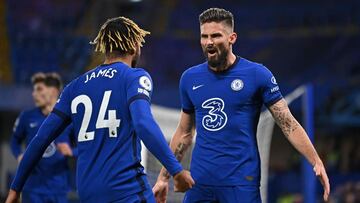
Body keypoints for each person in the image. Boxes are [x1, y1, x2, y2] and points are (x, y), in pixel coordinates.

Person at [6, 16, 194, 203]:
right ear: (134, 46)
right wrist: (176, 170)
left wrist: (15, 189)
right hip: (126, 189)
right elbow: (143, 123)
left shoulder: (74, 87)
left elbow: (40, 139)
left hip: (88, 193)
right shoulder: (134, 77)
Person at [152, 8, 330, 203]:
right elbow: (185, 133)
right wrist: (163, 177)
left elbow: (288, 124)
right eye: (204, 36)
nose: (209, 42)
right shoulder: (189, 78)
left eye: (216, 35)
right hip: (200, 183)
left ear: (232, 38)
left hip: (241, 183)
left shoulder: (257, 74)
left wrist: (316, 160)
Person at [10, 72, 75, 203]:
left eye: (39, 89)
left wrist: (73, 152)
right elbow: (14, 141)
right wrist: (19, 155)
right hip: (33, 188)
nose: (34, 94)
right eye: (34, 90)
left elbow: (86, 144)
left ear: (53, 91)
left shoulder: (70, 119)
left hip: (59, 188)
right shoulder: (27, 117)